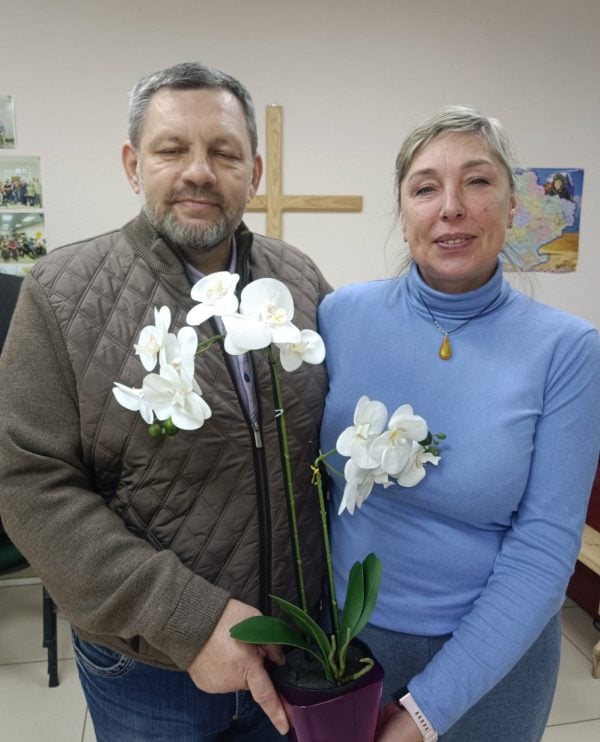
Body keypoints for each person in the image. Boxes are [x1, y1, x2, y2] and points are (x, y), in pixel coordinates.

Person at [0, 62, 331, 741]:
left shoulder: (300, 282)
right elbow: (28, 484)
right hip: (152, 671)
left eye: (224, 152)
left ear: (254, 171)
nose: (200, 171)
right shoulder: (61, 296)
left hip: (296, 648)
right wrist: (189, 619)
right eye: (173, 149)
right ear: (133, 164)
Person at [318, 105, 600, 741]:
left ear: (511, 205)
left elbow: (545, 550)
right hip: (345, 643)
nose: (451, 206)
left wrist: (425, 713)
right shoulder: (339, 317)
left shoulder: (567, 351)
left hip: (495, 655)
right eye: (425, 187)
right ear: (403, 209)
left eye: (477, 181)